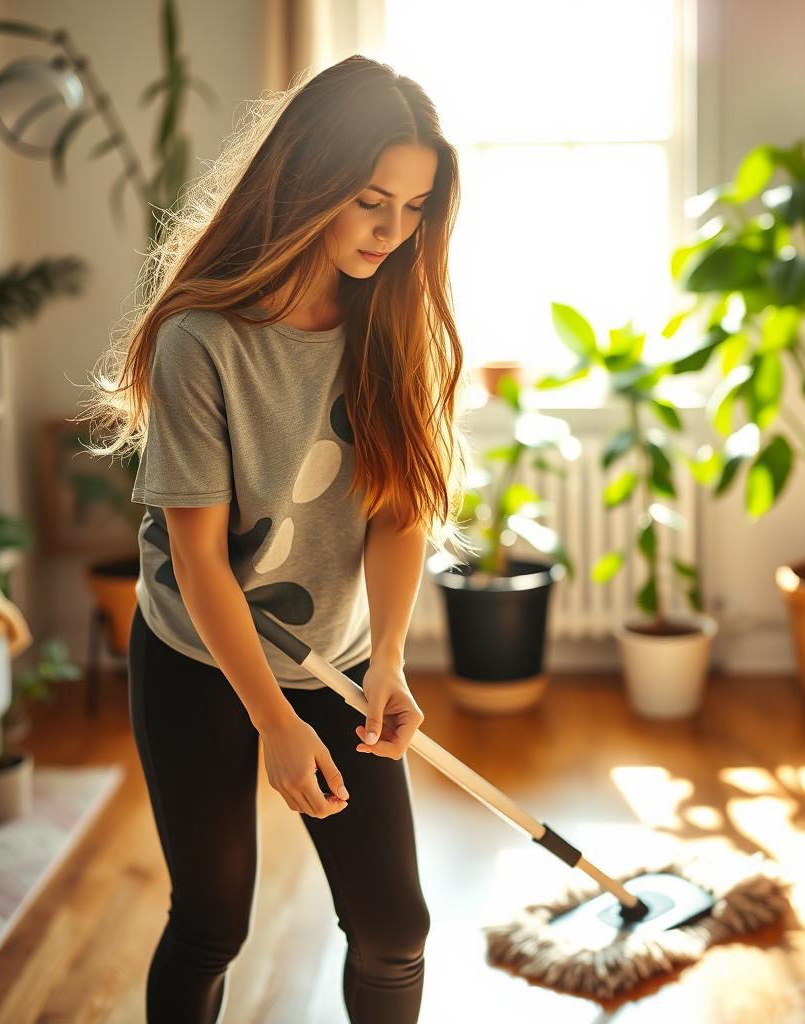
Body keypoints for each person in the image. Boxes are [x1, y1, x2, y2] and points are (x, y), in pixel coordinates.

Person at [75, 53, 476, 1023]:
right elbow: (201, 561)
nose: (392, 231)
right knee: (214, 922)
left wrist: (388, 660)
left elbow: (398, 509)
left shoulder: (394, 316)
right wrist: (274, 722)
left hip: (335, 658)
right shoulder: (201, 340)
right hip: (200, 657)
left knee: (394, 929)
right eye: (371, 200)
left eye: (414, 206)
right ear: (307, 183)